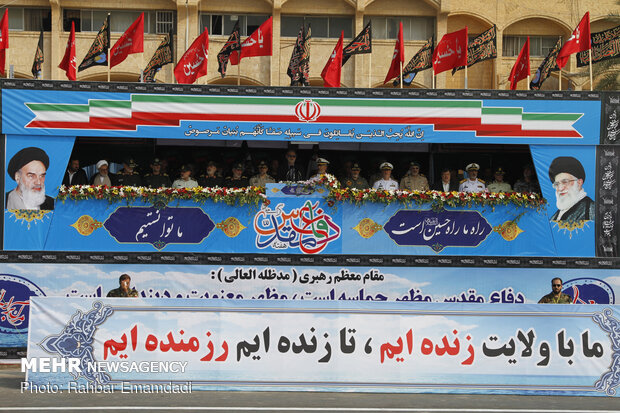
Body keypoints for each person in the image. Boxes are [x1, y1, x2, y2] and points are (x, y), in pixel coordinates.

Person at [548, 156, 595, 223]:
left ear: (579, 183)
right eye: (557, 184)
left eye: (565, 182)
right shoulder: (554, 217)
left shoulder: (592, 210)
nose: (560, 188)